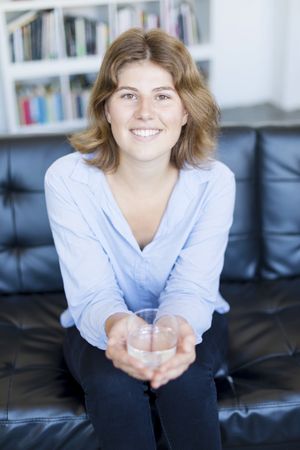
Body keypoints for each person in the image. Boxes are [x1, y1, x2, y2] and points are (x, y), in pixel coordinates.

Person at [45, 27, 235, 450]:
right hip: (99, 323)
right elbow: (93, 293)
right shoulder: (67, 180)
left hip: (191, 317)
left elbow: (191, 287)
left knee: (184, 381)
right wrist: (121, 328)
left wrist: (171, 329)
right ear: (106, 108)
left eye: (163, 95)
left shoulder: (214, 182)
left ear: (186, 110)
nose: (145, 112)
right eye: (129, 95)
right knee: (112, 384)